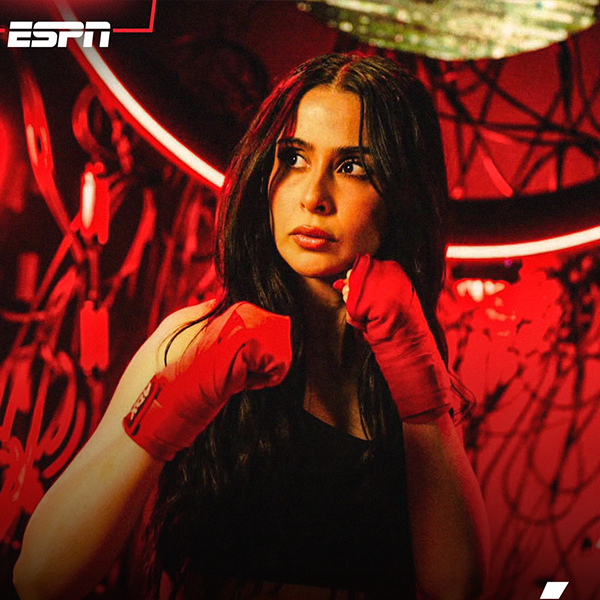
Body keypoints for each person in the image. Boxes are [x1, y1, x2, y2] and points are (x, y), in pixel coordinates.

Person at [13, 53, 490, 600]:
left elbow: (457, 586)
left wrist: (420, 383)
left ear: (403, 196)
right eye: (294, 158)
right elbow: (40, 579)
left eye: (352, 167)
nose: (313, 196)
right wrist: (172, 407)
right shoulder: (194, 338)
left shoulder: (407, 362)